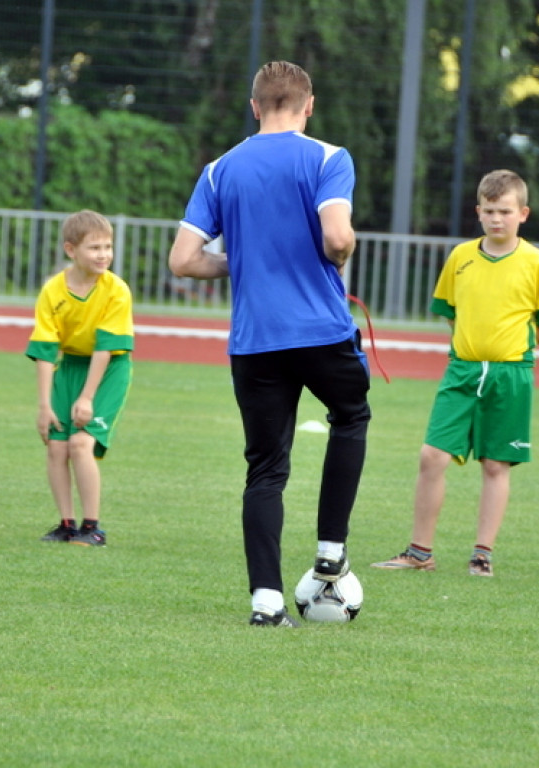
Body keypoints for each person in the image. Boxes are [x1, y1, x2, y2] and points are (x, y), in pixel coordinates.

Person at [168, 60, 371, 628]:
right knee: (350, 417)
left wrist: (244, 261)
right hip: (322, 332)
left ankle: (267, 603)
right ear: (309, 106)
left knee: (265, 470)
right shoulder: (330, 158)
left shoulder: (219, 169)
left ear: (255, 107)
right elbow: (337, 238)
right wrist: (341, 251)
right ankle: (331, 550)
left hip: (255, 341)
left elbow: (182, 260)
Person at [372, 169, 539, 578]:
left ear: (523, 214)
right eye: (490, 211)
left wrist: (514, 346)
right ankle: (419, 551)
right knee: (431, 456)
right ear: (478, 212)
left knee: (496, 465)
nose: (498, 219)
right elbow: (450, 312)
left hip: (511, 375)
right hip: (461, 372)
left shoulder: (536, 263)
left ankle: (482, 554)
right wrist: (473, 346)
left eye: (506, 211)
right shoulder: (460, 257)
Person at [26, 210, 134, 547]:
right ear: (71, 250)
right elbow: (45, 350)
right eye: (94, 248)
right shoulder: (53, 290)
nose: (104, 255)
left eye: (108, 247)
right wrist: (44, 406)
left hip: (108, 370)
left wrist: (87, 397)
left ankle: (93, 528)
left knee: (81, 443)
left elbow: (105, 349)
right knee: (57, 445)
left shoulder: (116, 290)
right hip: (70, 366)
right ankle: (67, 525)